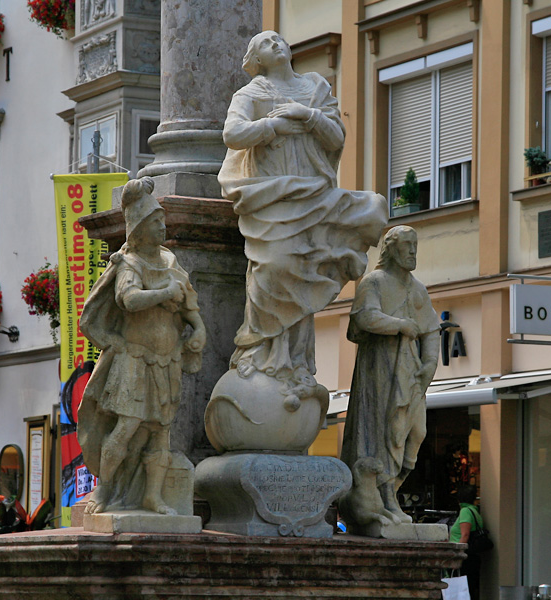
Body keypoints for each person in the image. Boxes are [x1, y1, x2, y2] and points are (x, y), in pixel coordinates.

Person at [218, 30, 387, 402]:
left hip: (312, 193)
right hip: (272, 197)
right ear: (256, 59)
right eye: (265, 43)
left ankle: (292, 361)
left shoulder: (314, 86)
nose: (276, 43)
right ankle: (261, 351)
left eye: (279, 38)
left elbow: (336, 138)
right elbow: (233, 133)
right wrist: (274, 126)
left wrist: (307, 116)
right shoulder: (251, 93)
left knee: (367, 211)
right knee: (275, 266)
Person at [77, 177, 206, 515]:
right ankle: (103, 491)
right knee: (126, 427)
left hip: (167, 359)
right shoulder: (129, 263)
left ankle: (152, 495)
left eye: (163, 220)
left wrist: (199, 329)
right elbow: (128, 299)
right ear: (138, 228)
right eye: (155, 222)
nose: (163, 227)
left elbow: (190, 304)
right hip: (134, 358)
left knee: (160, 432)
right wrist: (164, 294)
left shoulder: (169, 261)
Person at [339, 226, 440, 527]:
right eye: (407, 245)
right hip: (380, 368)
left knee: (416, 432)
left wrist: (431, 362)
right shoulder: (374, 282)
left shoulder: (417, 288)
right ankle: (383, 497)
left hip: (410, 368)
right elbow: (363, 318)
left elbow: (431, 328)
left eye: (415, 245)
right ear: (391, 249)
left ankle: (391, 490)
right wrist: (399, 324)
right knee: (384, 431)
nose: (413, 251)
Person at [449, 483, 483, 600]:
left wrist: (457, 557)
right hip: (471, 558)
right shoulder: (474, 511)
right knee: (468, 590)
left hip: (464, 559)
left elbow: (465, 535)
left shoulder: (465, 511)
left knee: (461, 592)